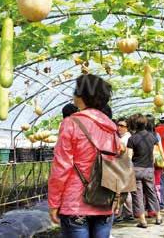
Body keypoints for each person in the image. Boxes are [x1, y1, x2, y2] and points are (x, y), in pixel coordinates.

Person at [48, 74, 122, 238]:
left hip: (75, 203)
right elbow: (116, 167)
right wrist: (117, 198)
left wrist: (54, 202)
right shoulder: (111, 129)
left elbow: (61, 167)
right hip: (104, 200)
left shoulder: (71, 123)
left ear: (81, 96)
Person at [127, 114, 162, 228]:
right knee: (151, 192)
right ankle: (158, 217)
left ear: (134, 125)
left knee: (138, 195)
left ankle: (142, 221)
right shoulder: (152, 137)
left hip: (136, 169)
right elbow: (155, 153)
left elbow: (128, 157)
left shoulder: (132, 139)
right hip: (148, 169)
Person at [144, 114, 164, 217]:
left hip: (143, 164)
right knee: (156, 186)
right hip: (156, 164)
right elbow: (160, 149)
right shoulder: (155, 135)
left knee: (145, 187)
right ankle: (158, 207)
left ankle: (149, 209)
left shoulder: (140, 135)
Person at [115, 117, 134, 223]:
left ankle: (120, 214)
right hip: (121, 166)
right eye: (118, 125)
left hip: (124, 166)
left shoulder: (126, 138)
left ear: (127, 128)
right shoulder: (121, 137)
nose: (119, 127)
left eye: (122, 126)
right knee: (125, 192)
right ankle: (128, 213)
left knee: (122, 192)